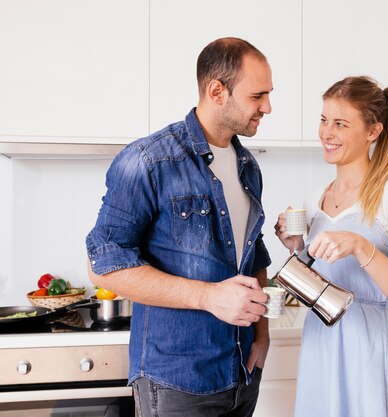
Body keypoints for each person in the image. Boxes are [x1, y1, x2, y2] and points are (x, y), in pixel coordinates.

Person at [86, 37, 274, 417]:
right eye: (258, 96)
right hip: (176, 382)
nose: (267, 107)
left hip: (241, 375)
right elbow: (103, 265)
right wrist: (209, 297)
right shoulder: (147, 160)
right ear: (217, 91)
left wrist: (262, 333)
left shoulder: (247, 166)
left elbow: (254, 254)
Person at [275, 76, 388, 417]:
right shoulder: (316, 199)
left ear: (373, 131)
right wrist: (298, 249)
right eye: (324, 120)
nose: (327, 133)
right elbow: (319, 285)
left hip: (368, 349)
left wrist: (360, 246)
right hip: (320, 345)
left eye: (340, 124)